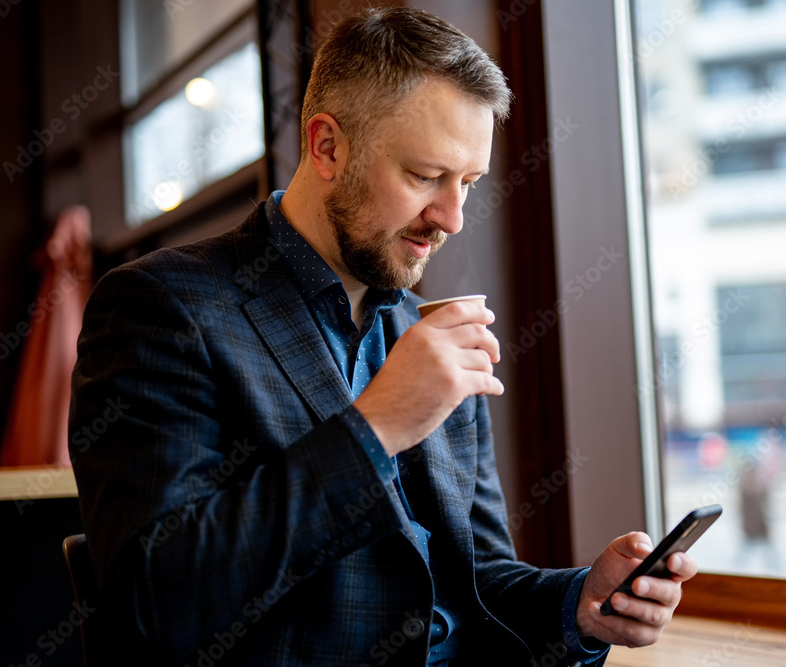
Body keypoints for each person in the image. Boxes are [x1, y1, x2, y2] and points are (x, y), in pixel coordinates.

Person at [68, 8, 697, 666]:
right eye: (426, 176)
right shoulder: (162, 307)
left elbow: (478, 583)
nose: (451, 217)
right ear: (328, 146)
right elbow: (158, 601)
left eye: (468, 183)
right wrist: (377, 427)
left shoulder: (430, 332)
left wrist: (581, 607)